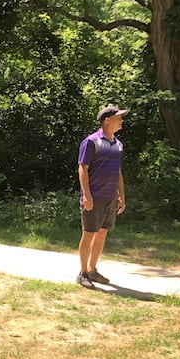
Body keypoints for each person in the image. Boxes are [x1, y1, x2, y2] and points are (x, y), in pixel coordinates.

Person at [76, 104, 128, 288]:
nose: (121, 121)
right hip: (95, 196)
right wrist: (87, 195)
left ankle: (92, 269)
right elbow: (83, 168)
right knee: (89, 233)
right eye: (118, 117)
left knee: (102, 232)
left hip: (110, 197)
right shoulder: (91, 142)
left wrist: (121, 195)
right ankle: (82, 273)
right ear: (107, 120)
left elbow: (118, 171)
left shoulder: (118, 144)